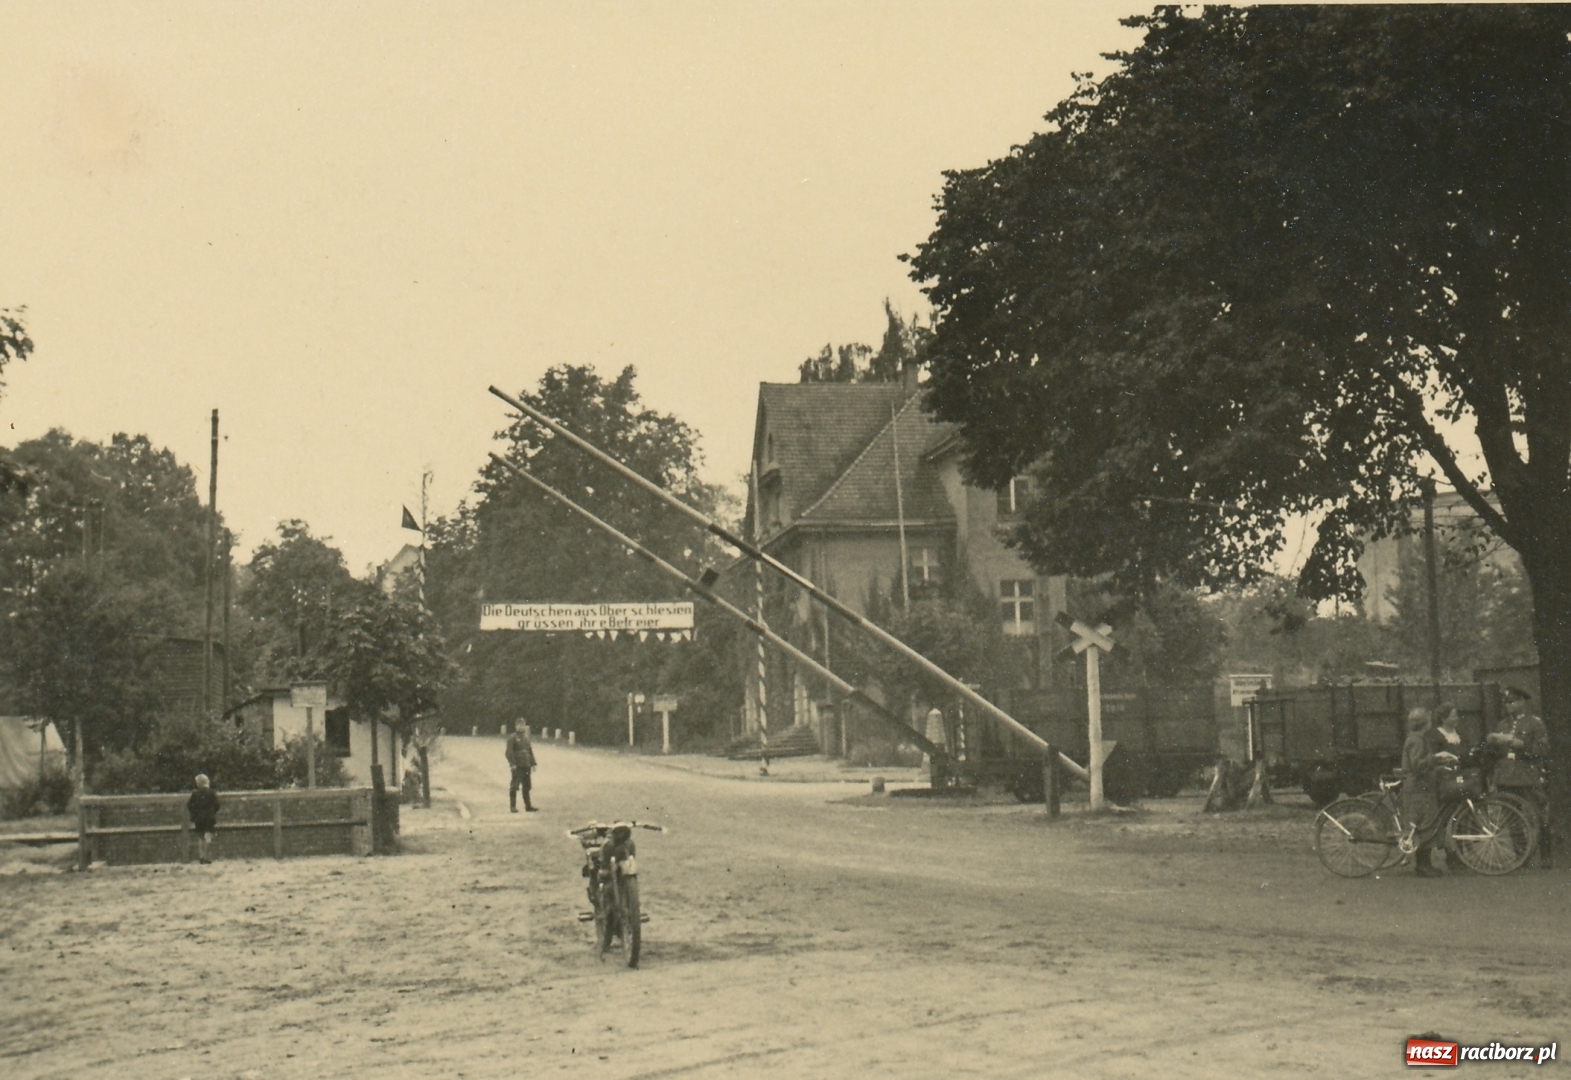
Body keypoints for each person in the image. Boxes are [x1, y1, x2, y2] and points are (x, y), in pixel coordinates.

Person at [1400, 708, 1442, 877]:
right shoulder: (1418, 740)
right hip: (1419, 788)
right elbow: (1417, 765)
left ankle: (1424, 865)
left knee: (1420, 825)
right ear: (1425, 724)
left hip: (1419, 787)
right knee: (1424, 825)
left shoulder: (1414, 738)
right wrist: (1435, 758)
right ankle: (1423, 866)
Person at [187, 774, 220, 864]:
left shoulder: (195, 794)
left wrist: (195, 813)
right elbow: (217, 805)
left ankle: (201, 856)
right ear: (207, 782)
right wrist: (212, 812)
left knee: (200, 837)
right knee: (208, 836)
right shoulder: (212, 793)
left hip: (199, 818)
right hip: (209, 818)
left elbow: (189, 805)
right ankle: (207, 857)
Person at [506, 722, 538, 813]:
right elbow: (509, 752)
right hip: (518, 765)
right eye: (519, 725)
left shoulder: (526, 738)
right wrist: (512, 764)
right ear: (516, 726)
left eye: (523, 725)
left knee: (527, 786)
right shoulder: (512, 738)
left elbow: (530, 751)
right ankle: (513, 806)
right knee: (514, 785)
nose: (521, 727)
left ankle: (528, 806)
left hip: (526, 764)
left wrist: (533, 763)